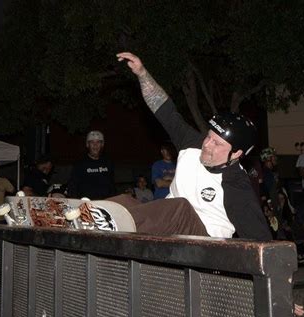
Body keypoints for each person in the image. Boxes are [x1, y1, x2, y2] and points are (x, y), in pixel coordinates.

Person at [115, 51, 271, 241]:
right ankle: (86, 216)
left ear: (236, 153)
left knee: (180, 207)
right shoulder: (192, 145)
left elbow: (261, 238)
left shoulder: (236, 184)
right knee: (124, 202)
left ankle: (115, 222)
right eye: (208, 137)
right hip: (169, 231)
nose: (206, 145)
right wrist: (142, 73)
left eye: (216, 143)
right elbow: (164, 110)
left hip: (206, 247)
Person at [67, 131, 116, 200]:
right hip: (87, 204)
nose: (95, 145)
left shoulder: (108, 162)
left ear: (102, 145)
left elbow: (112, 186)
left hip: (105, 203)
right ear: (87, 144)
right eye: (92, 142)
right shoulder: (80, 164)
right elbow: (73, 187)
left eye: (98, 142)